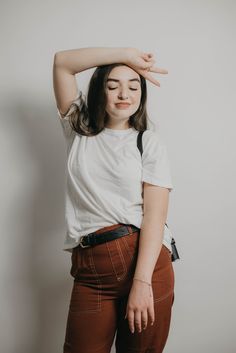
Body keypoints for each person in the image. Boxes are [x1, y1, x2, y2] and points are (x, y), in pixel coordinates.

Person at [53, 47, 175, 353]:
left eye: (134, 86)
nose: (125, 94)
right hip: (89, 267)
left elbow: (155, 217)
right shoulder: (77, 128)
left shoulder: (147, 141)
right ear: (99, 91)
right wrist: (127, 56)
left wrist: (141, 282)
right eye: (113, 85)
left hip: (143, 262)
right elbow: (62, 63)